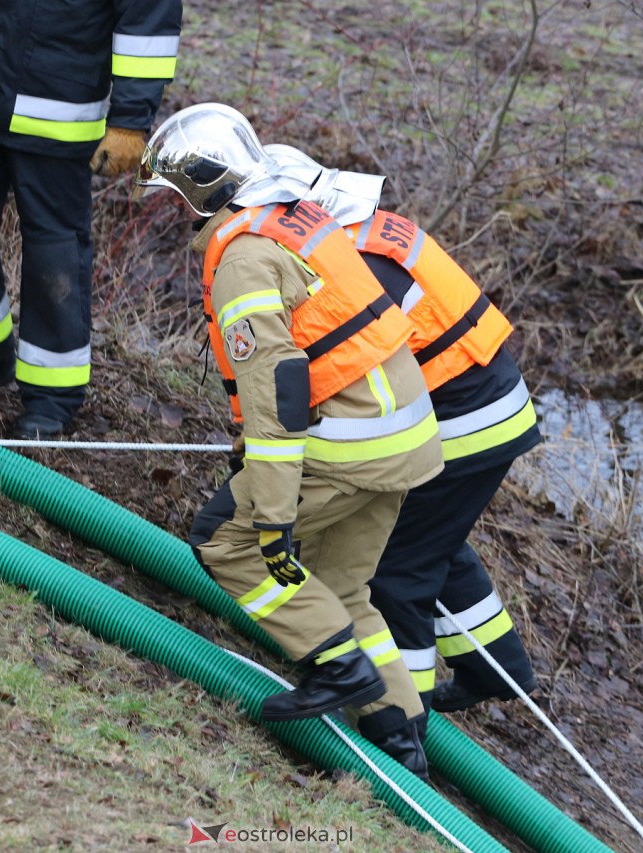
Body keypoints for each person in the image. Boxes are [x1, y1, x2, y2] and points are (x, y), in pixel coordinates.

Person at [136, 104, 444, 779]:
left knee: (227, 540)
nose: (176, 212)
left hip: (352, 442)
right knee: (340, 583)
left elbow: (278, 391)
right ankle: (401, 742)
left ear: (201, 188)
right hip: (403, 433)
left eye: (176, 196)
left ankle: (338, 667)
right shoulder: (292, 216)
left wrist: (272, 514)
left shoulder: (243, 259)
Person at [266, 143, 542, 714]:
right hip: (494, 403)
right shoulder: (368, 230)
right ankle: (497, 669)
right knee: (437, 541)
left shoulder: (349, 263)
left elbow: (350, 373)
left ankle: (399, 720)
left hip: (461, 422)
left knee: (395, 570)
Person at [0, 0, 183, 438]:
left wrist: (130, 122)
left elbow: (147, 22)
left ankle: (52, 395)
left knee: (53, 256)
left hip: (59, 114)